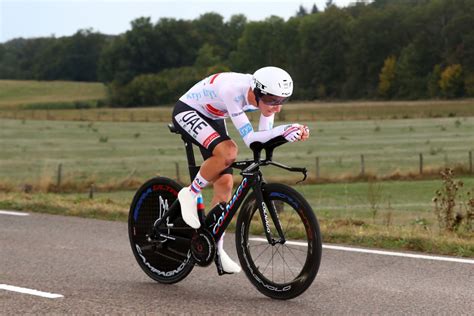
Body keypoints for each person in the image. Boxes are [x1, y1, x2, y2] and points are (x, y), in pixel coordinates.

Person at [171, 66, 309, 274]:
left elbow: (265, 136)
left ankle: (215, 247)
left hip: (214, 114)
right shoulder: (233, 92)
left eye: (282, 101)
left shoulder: (264, 100)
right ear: (257, 92)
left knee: (226, 183)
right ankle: (190, 193)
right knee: (228, 152)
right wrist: (284, 130)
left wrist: (289, 134)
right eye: (272, 100)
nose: (276, 107)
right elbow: (251, 140)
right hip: (188, 109)